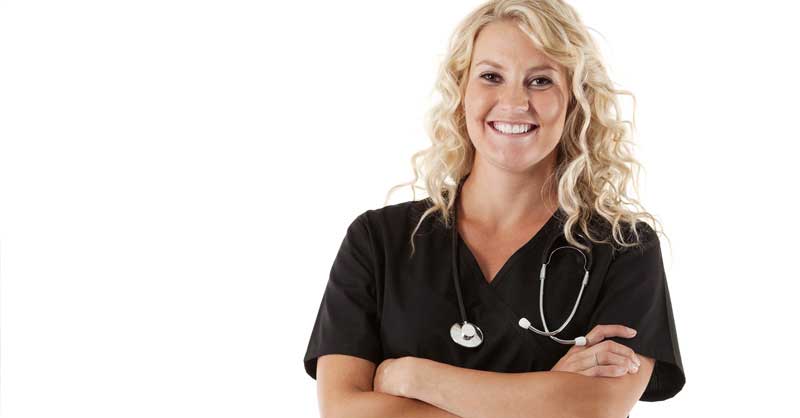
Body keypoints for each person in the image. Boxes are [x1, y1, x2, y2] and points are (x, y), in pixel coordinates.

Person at [303, 1, 686, 417]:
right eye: (491, 76)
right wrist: (546, 394)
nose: (514, 101)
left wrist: (414, 378)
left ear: (576, 99)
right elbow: (343, 410)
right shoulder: (378, 242)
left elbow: (593, 409)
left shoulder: (623, 249)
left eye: (540, 81)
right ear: (461, 92)